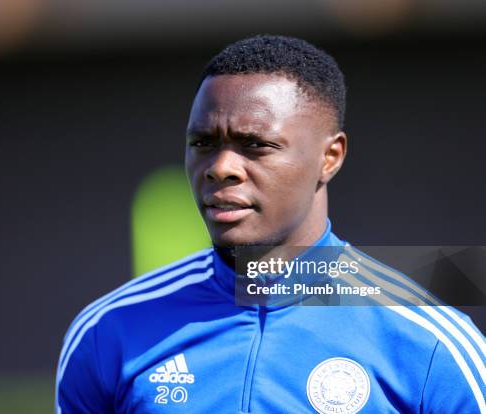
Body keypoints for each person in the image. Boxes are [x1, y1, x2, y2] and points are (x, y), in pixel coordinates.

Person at [55, 35, 485, 413]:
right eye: (203, 143)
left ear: (330, 157)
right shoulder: (109, 331)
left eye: (256, 145)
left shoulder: (428, 341)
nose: (220, 167)